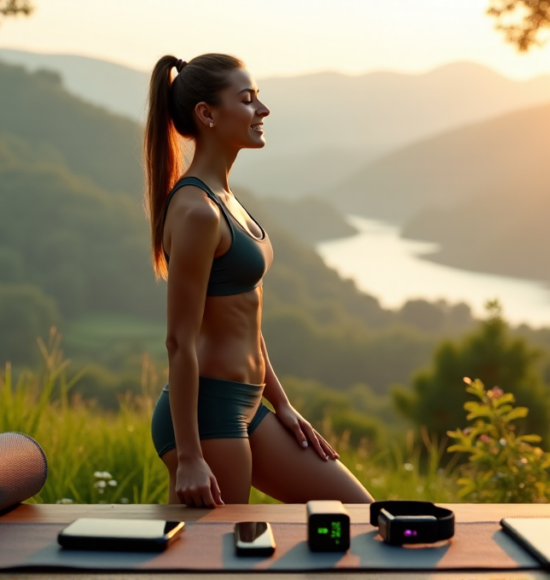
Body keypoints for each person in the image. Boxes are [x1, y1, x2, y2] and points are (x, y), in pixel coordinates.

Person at [144, 54, 374, 508]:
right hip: (207, 414)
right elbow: (179, 342)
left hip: (249, 406)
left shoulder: (226, 198)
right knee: (212, 563)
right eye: (247, 100)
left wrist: (282, 404)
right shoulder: (196, 210)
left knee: (361, 513)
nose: (262, 111)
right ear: (206, 115)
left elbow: (246, 317)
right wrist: (190, 455)